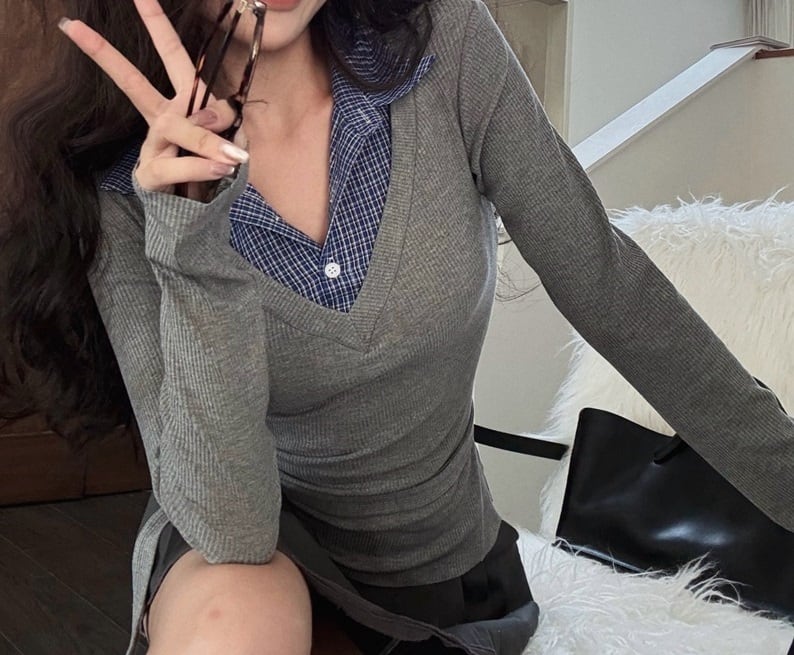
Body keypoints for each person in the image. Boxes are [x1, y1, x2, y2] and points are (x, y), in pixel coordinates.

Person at [1, 0, 791, 654]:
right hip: (248, 554)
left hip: (448, 577)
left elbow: (612, 288)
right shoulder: (118, 184)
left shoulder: (447, 44)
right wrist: (193, 243)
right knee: (235, 601)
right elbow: (231, 525)